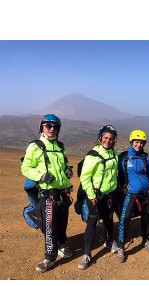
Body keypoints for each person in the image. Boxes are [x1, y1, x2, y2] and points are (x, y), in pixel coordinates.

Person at [21, 114, 73, 272]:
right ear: (41, 127)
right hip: (48, 193)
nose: (51, 129)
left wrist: (67, 170)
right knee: (49, 225)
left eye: (55, 127)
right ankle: (50, 257)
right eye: (48, 126)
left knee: (62, 222)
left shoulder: (60, 146)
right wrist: (41, 176)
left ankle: (62, 245)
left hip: (63, 192)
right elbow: (26, 168)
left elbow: (63, 163)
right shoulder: (35, 146)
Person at [77, 125, 119, 270]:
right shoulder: (92, 155)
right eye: (105, 138)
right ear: (100, 138)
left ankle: (109, 241)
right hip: (95, 194)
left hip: (109, 194)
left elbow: (115, 174)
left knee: (108, 218)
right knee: (92, 221)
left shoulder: (114, 154)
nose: (108, 141)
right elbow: (85, 177)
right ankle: (87, 254)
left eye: (111, 138)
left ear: (114, 140)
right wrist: (91, 194)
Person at [117, 129, 149, 263]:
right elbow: (116, 174)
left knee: (146, 218)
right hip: (131, 194)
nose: (139, 145)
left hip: (146, 194)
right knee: (124, 218)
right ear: (131, 142)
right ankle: (121, 246)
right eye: (136, 142)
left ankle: (145, 240)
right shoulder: (123, 157)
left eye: (141, 143)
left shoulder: (145, 157)